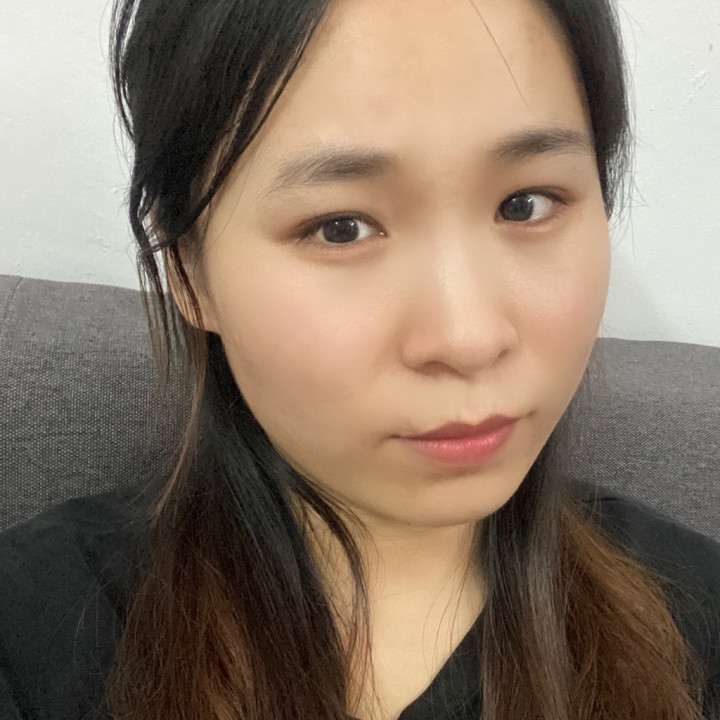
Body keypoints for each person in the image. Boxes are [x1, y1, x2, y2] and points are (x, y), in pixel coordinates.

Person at [0, 0, 719, 718]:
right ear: (189, 273)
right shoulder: (36, 634)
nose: (468, 338)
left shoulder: (697, 615)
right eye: (340, 228)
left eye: (526, 203)